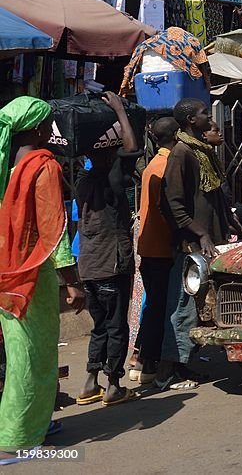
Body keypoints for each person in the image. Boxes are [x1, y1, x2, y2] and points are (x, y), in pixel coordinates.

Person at [0, 98, 85, 462]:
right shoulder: (43, 167)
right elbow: (54, 231)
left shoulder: (5, 166)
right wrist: (71, 280)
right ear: (37, 128)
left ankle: (33, 423)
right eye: (49, 124)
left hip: (5, 274)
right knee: (32, 358)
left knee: (17, 352)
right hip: (32, 276)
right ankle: (16, 437)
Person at [157, 98, 232, 390]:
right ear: (190, 120)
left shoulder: (202, 152)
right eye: (203, 114)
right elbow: (173, 205)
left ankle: (184, 362)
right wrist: (200, 233)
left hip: (209, 243)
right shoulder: (182, 153)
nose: (207, 118)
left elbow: (214, 200)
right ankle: (169, 370)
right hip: (191, 246)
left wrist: (237, 227)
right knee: (183, 307)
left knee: (200, 306)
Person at [75, 92, 142, 407]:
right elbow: (133, 149)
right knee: (117, 326)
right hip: (113, 264)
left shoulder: (83, 179)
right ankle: (113, 384)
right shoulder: (110, 176)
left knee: (100, 325)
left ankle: (90, 382)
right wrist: (118, 110)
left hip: (88, 265)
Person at [133, 117, 179, 386]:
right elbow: (167, 208)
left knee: (153, 306)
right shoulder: (165, 165)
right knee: (159, 308)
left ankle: (143, 360)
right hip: (161, 245)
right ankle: (150, 362)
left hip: (149, 244)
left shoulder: (153, 164)